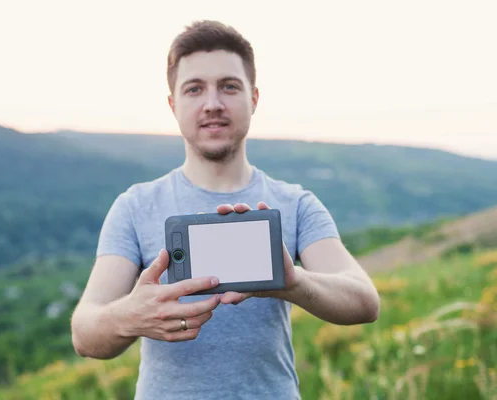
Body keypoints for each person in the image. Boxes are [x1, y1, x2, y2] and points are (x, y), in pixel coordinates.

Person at [71, 20, 380, 400]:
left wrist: (292, 283)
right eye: (194, 89)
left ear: (254, 98)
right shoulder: (135, 206)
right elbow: (84, 334)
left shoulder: (296, 203)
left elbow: (365, 302)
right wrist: (131, 315)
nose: (212, 103)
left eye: (229, 86)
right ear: (173, 104)